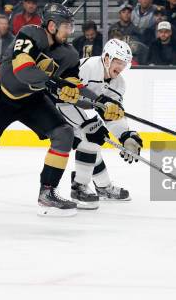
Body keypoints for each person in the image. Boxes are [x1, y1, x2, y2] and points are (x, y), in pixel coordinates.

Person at [0, 3, 125, 217]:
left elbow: (76, 89)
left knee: (63, 133)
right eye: (66, 26)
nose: (70, 31)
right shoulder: (30, 34)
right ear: (51, 26)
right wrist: (55, 85)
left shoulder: (70, 54)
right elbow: (22, 71)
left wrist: (101, 103)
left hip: (32, 99)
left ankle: (48, 192)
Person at [57, 39, 141, 208]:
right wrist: (87, 124)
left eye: (124, 63)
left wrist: (125, 136)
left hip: (77, 108)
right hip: (60, 103)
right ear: (107, 58)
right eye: (118, 62)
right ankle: (79, 187)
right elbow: (63, 93)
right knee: (92, 135)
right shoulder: (88, 68)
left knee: (93, 138)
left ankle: (103, 187)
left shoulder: (119, 84)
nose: (121, 67)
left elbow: (112, 115)